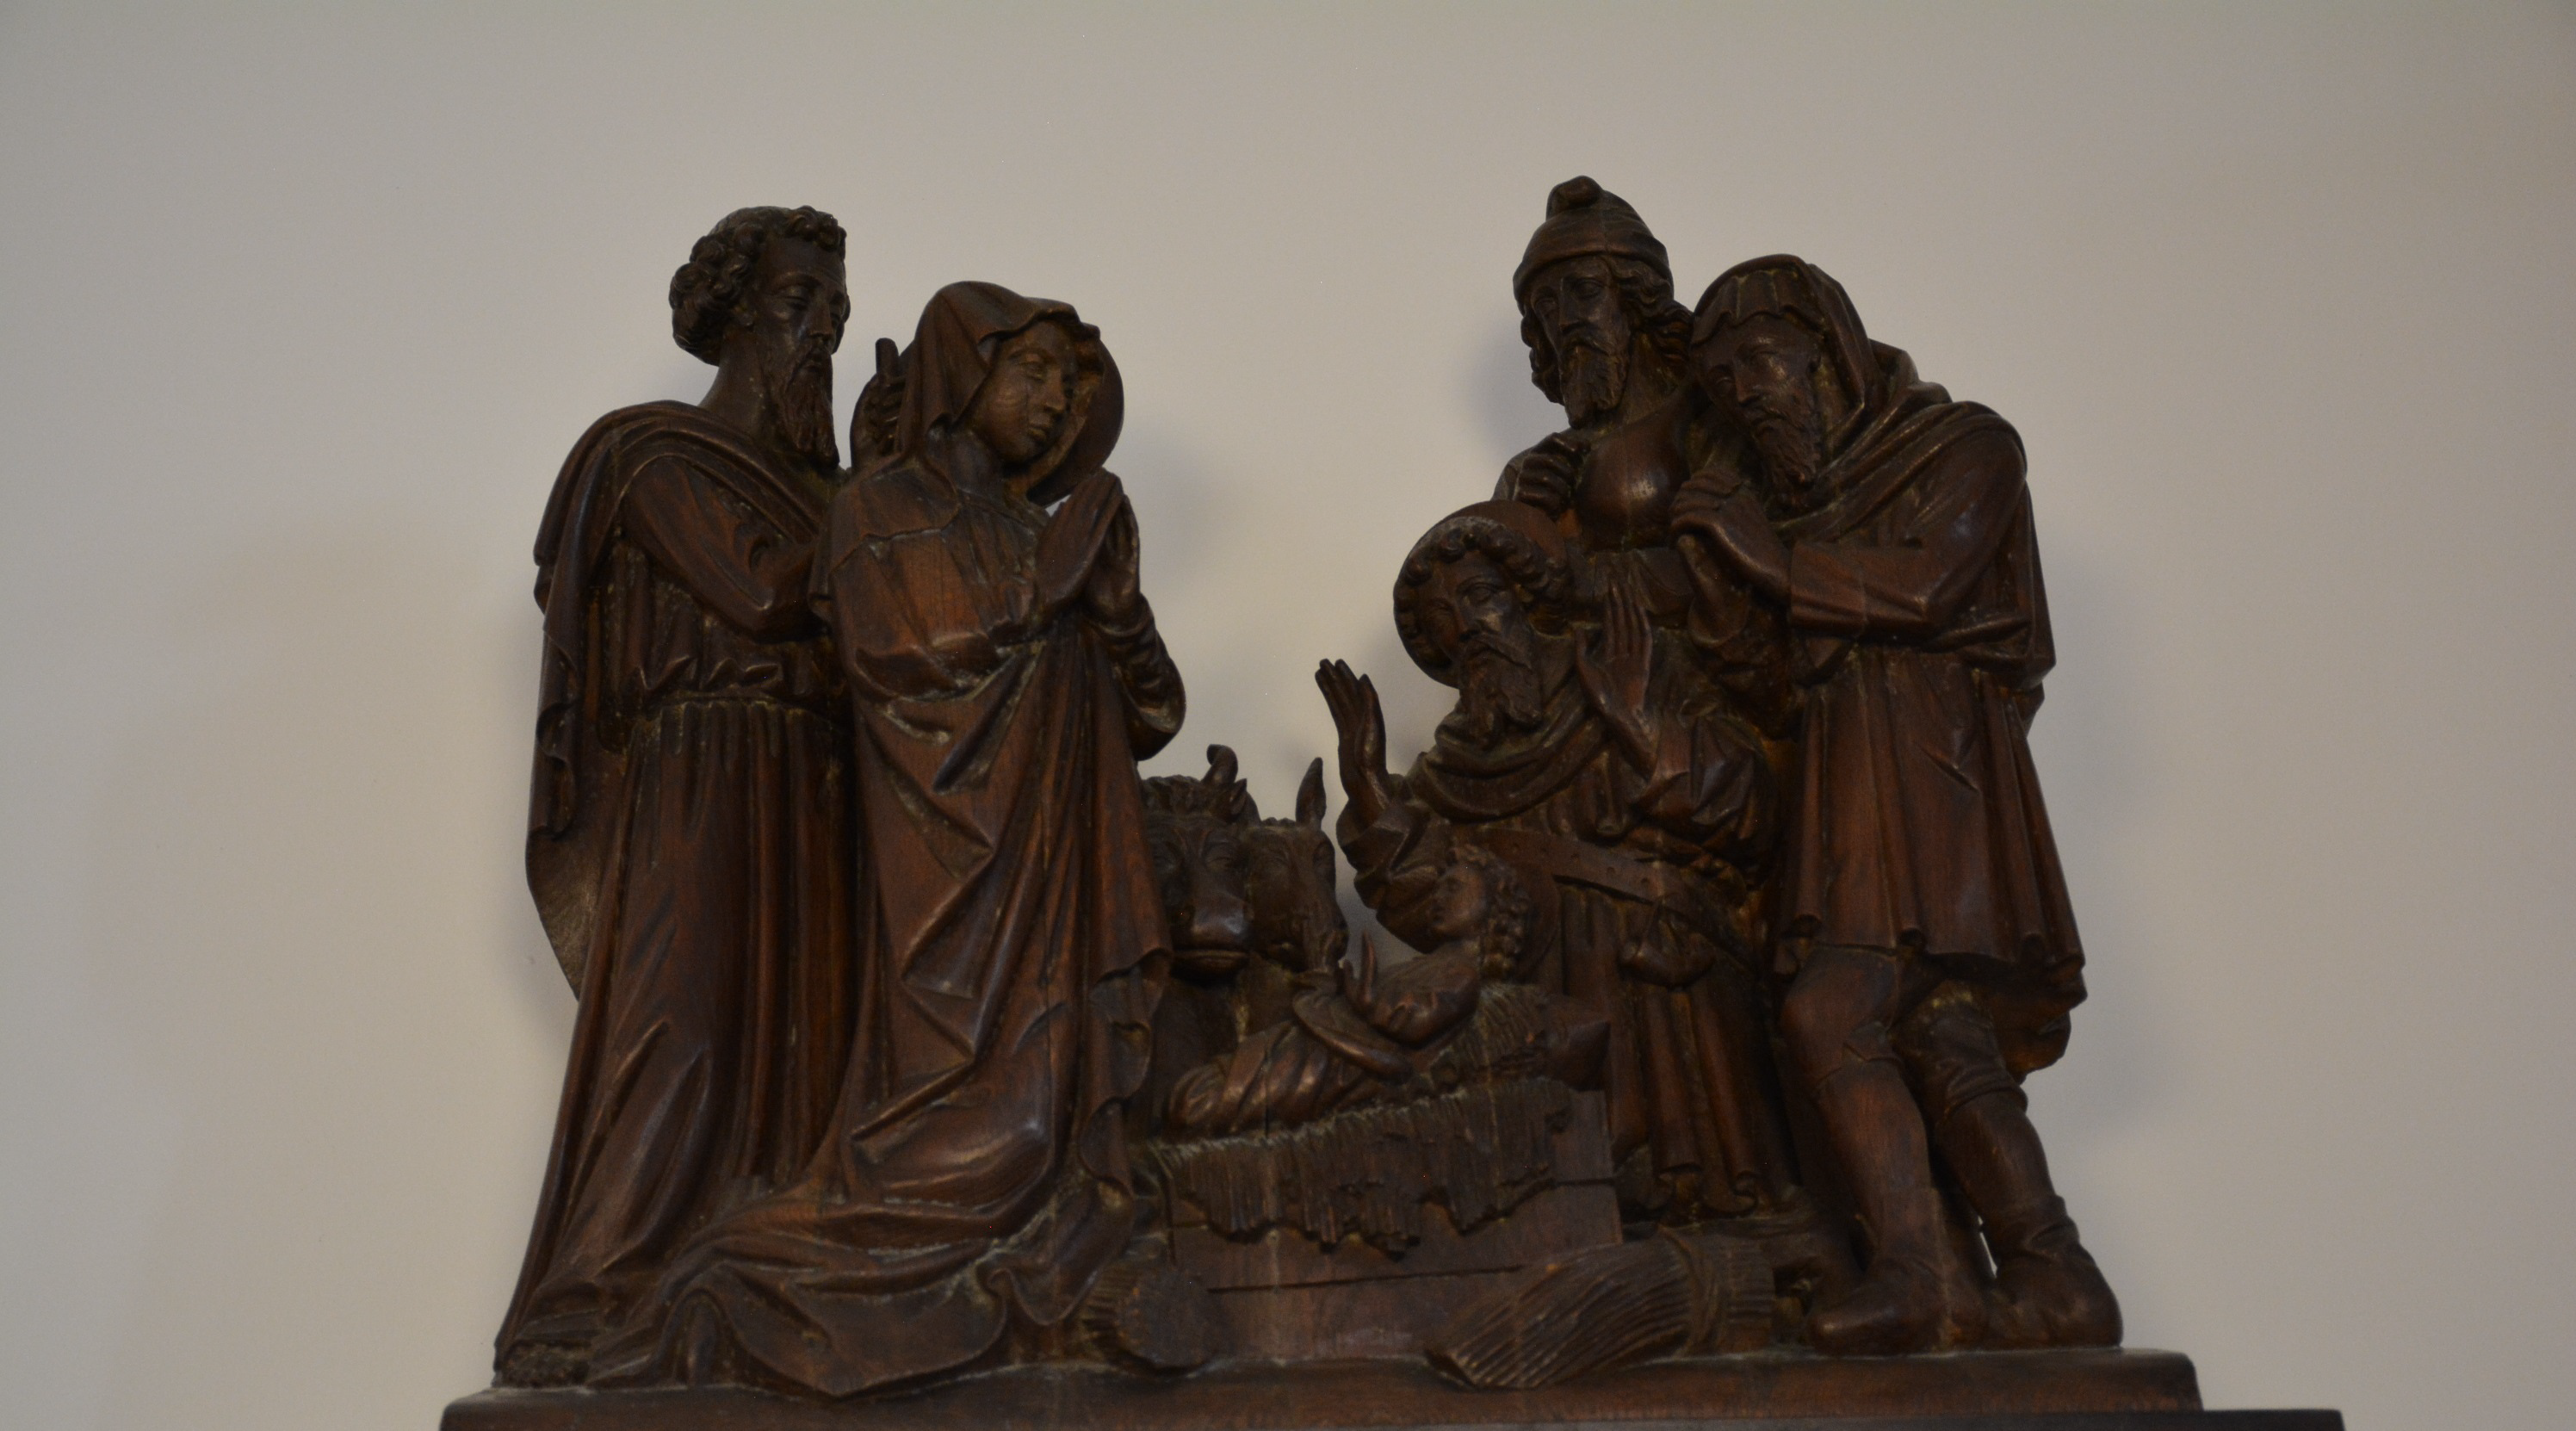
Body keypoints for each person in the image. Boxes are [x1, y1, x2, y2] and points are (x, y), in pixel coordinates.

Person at [592, 282, 1186, 1397]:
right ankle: (746, 1285)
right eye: (1031, 371)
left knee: (1062, 1125)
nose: (1055, 403)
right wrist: (1040, 596)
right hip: (949, 892)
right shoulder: (875, 509)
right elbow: (894, 658)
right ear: (962, 372)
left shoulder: (1041, 532)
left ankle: (1049, 1275)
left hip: (1060, 887)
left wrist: (1117, 608)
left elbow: (1150, 716)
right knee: (981, 1137)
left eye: (1069, 386)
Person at [1673, 254, 2120, 1354]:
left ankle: (1923, 1275)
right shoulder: (1789, 501)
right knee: (1939, 1029)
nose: (1749, 397)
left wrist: (1768, 561)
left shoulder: (1963, 446)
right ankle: (2055, 1277)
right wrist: (1716, 579)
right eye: (1725, 384)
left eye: (1761, 363)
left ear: (1829, 349)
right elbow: (1768, 681)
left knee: (1831, 1012)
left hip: (1936, 770)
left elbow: (1924, 583)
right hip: (1845, 769)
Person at [498, 206, 857, 1385]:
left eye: (836, 311)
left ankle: (763, 1278)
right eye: (799, 305)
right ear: (734, 320)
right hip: (704, 777)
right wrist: (893, 502)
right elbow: (759, 595)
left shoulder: (831, 496)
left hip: (816, 790)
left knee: (815, 1049)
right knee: (682, 1022)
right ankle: (592, 1294)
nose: (824, 334)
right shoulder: (653, 457)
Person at [1316, 501, 1800, 1225]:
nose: (1466, 629)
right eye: (1443, 619)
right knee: (1577, 1211)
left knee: (1719, 1205)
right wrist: (1368, 788)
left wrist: (1640, 727)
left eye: (1480, 596)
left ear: (1528, 595)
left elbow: (1752, 807)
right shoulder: (1452, 770)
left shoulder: (1638, 667)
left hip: (1665, 979)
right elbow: (1430, 904)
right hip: (1539, 1003)